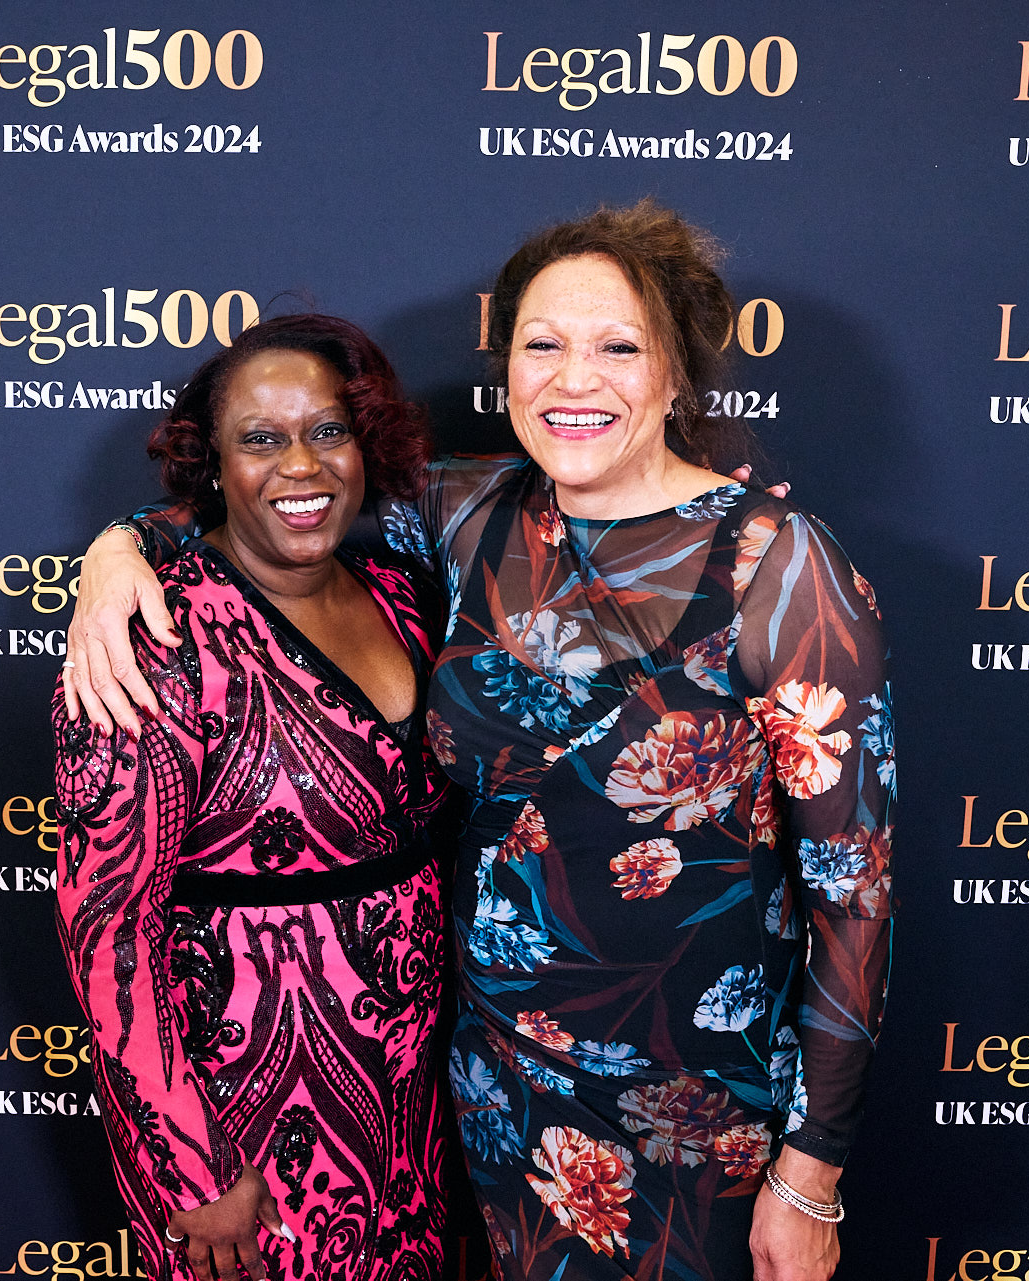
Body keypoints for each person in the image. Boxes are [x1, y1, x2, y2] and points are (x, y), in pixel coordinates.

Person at [66, 200, 894, 1281]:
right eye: (543, 345)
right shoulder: (467, 512)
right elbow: (279, 499)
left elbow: (854, 895)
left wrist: (812, 1170)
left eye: (618, 347)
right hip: (491, 1092)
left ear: (677, 375)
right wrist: (118, 547)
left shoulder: (779, 569)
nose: (574, 378)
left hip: (698, 1112)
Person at [51, 315, 456, 1281]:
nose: (301, 466)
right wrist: (189, 1165)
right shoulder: (155, 641)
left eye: (328, 430)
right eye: (261, 439)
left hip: (416, 1102)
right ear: (214, 465)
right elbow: (108, 931)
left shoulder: (405, 593)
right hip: (248, 1127)